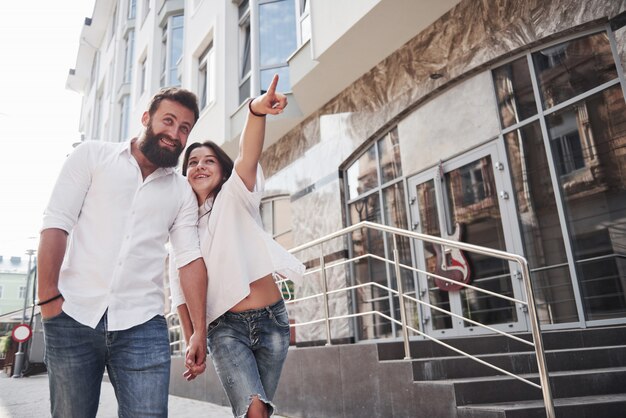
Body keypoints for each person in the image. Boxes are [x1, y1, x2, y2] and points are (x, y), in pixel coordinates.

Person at [37, 87, 208, 418]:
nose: (175, 134)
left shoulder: (181, 192)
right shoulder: (92, 156)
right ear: (146, 118)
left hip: (142, 323)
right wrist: (48, 301)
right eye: (168, 121)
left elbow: (189, 258)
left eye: (184, 128)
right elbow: (57, 222)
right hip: (73, 315)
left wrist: (198, 330)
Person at [171, 74, 305, 418]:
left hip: (273, 321)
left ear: (222, 169)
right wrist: (192, 339)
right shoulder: (180, 228)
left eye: (208, 160)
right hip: (224, 329)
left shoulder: (236, 195)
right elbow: (181, 295)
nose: (199, 165)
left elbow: (247, 154)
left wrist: (255, 112)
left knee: (258, 411)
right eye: (192, 162)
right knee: (254, 410)